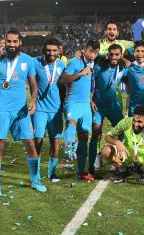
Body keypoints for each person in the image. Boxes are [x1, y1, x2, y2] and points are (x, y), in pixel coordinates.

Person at [0, 29, 46, 196]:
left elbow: (33, 84)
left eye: (15, 41)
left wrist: (34, 101)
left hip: (21, 110)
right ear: (4, 42)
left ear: (20, 42)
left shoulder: (28, 61)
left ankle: (35, 180)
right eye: (9, 41)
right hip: (2, 110)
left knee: (30, 144)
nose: (12, 45)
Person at [60, 39, 100, 181]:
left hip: (85, 105)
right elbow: (63, 78)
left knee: (83, 137)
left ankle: (80, 171)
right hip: (72, 101)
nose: (92, 55)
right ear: (84, 49)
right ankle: (69, 147)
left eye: (95, 52)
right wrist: (81, 73)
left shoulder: (93, 63)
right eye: (90, 51)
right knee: (71, 123)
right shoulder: (75, 62)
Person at [89, 44, 127, 171]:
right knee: (96, 130)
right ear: (108, 55)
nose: (114, 57)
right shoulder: (99, 67)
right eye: (111, 54)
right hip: (99, 106)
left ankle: (120, 156)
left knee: (121, 131)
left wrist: (127, 60)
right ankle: (96, 155)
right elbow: (89, 82)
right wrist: (91, 98)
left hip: (114, 106)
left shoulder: (124, 67)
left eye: (117, 54)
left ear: (121, 55)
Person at [32, 38, 65, 182]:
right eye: (48, 50)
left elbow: (63, 87)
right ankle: (36, 173)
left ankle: (52, 173)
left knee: (55, 141)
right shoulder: (35, 62)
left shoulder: (62, 65)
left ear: (59, 51)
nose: (51, 53)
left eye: (54, 50)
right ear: (44, 50)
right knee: (37, 140)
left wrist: (64, 106)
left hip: (56, 110)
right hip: (39, 109)